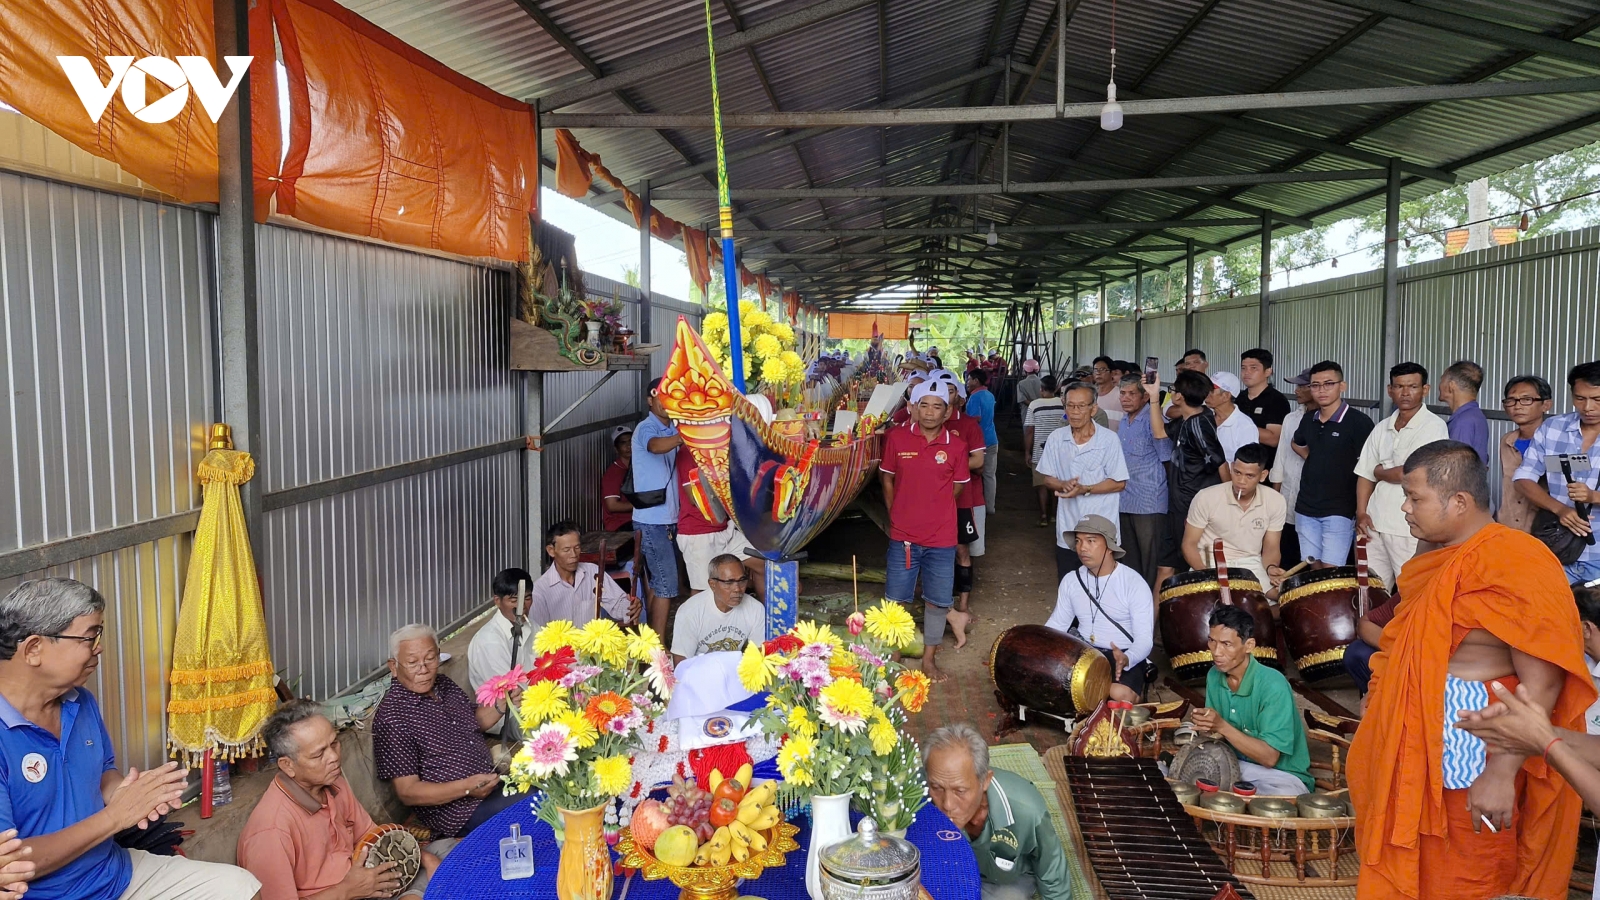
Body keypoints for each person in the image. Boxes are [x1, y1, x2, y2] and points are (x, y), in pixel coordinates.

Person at [1349, 440, 1596, 900]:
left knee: (1470, 877)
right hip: (1411, 746)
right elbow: (1411, 646)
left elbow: (1542, 684)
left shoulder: (1518, 561)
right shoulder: (1434, 559)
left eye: (1414, 497)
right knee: (1403, 864)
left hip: (1472, 757)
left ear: (1458, 501)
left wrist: (1501, 774)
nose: (1404, 508)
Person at [0, 578, 259, 900]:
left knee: (240, 888)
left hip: (114, 874)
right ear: (34, 649)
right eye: (89, 636)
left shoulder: (79, 701)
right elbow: (12, 861)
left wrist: (130, 794)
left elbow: (103, 770)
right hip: (46, 894)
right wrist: (115, 817)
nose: (99, 647)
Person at [238, 702, 440, 900]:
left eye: (334, 743)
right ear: (287, 765)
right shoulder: (271, 831)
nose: (334, 757)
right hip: (348, 892)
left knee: (445, 852)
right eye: (319, 754)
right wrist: (347, 890)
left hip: (367, 883)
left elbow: (370, 837)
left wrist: (424, 858)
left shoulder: (334, 784)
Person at [373, 625, 520, 840]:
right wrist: (467, 788)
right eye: (413, 663)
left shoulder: (444, 684)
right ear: (393, 667)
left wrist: (501, 704)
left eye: (430, 659)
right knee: (535, 810)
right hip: (459, 810)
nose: (423, 669)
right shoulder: (393, 717)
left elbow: (474, 722)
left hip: (490, 783)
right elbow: (408, 791)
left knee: (551, 790)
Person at [881, 381, 971, 682]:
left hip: (942, 538)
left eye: (937, 406)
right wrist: (898, 514)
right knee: (897, 600)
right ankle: (894, 656)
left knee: (937, 601)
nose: (930, 411)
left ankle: (929, 661)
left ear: (948, 412)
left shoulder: (957, 446)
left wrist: (934, 510)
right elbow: (888, 480)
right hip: (903, 535)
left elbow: (956, 488)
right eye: (924, 405)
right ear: (914, 408)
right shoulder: (896, 438)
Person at [922, 724, 1072, 900]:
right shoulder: (913, 794)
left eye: (960, 791)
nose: (947, 804)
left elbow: (1052, 873)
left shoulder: (1026, 810)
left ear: (985, 781)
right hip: (943, 872)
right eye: (937, 787)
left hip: (1001, 883)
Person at [1192, 605, 1314, 796]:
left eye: (1227, 644)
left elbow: (1269, 758)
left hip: (1281, 777)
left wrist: (1221, 726)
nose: (1216, 652)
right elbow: (1216, 738)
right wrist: (1206, 726)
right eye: (1212, 641)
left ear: (1249, 645)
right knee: (1174, 774)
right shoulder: (1214, 675)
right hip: (1235, 766)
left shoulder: (1273, 685)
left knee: (1278, 797)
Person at [1354, 363, 1450, 589]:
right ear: (1390, 390)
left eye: (1412, 387)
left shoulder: (1433, 427)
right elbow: (1365, 475)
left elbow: (1412, 473)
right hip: (1374, 524)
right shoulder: (1382, 427)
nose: (1405, 393)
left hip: (1409, 527)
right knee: (1371, 590)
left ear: (1425, 389)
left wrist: (1380, 471)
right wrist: (1361, 513)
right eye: (1399, 387)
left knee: (1412, 590)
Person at [1043, 515, 1154, 703]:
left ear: (1110, 547)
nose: (1082, 547)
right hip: (1084, 651)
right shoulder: (1071, 580)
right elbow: (1058, 624)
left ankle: (1136, 691)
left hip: (1122, 655)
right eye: (1078, 541)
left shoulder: (1133, 583)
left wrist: (1127, 658)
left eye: (1091, 541)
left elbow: (1144, 640)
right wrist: (1038, 644)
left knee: (1118, 695)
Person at [1515, 361, 1600, 584]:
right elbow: (1523, 478)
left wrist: (1594, 497)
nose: (1588, 407)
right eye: (1580, 398)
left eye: (1597, 399)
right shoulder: (1553, 428)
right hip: (1557, 547)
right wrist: (1559, 508)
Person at [1037, 382, 1129, 581]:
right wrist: (1063, 485)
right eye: (1070, 406)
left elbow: (1119, 483)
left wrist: (1085, 489)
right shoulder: (1056, 438)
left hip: (1102, 531)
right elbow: (1048, 478)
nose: (1075, 412)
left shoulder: (1109, 440)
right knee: (1070, 586)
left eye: (1081, 406)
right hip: (1069, 531)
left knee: (1103, 590)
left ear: (1093, 409)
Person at [1146, 370, 1229, 588]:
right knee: (1166, 566)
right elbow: (1159, 432)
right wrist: (1154, 397)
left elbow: (1220, 462)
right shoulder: (1188, 419)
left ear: (1180, 397)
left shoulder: (1199, 424)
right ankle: (1153, 621)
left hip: (1193, 508)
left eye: (1173, 389)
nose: (1172, 392)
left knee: (1190, 568)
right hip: (1178, 504)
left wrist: (1230, 499)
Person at [1290, 360, 1374, 568]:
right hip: (1305, 507)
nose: (1321, 390)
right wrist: (1318, 458)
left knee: (1331, 572)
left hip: (1340, 509)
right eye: (1315, 385)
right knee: (1311, 569)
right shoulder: (1309, 419)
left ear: (1342, 386)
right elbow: (1296, 443)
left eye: (1329, 384)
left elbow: (1369, 469)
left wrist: (1361, 510)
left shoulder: (1359, 422)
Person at [1182, 443, 1286, 592]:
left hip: (1251, 564)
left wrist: (1270, 568)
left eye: (1249, 476)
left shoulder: (1276, 501)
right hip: (1210, 562)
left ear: (1263, 475)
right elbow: (1189, 544)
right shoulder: (1206, 497)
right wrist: (1206, 574)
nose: (1241, 481)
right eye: (1237, 472)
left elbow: (1271, 546)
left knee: (1281, 599)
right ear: (1231, 468)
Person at [675, 447, 765, 602]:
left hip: (725, 529)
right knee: (703, 591)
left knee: (765, 564)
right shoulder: (688, 452)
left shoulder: (721, 449)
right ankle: (702, 626)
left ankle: (766, 620)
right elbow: (694, 498)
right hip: (699, 534)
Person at [932, 373, 987, 618]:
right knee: (932, 551)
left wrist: (947, 463)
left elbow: (979, 461)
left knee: (961, 550)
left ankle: (963, 605)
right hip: (929, 500)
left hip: (960, 499)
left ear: (958, 396)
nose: (946, 395)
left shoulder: (967, 425)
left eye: (951, 390)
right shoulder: (923, 424)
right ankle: (938, 604)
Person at [633, 378, 683, 634]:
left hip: (669, 519)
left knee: (658, 585)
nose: (665, 403)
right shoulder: (645, 428)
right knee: (666, 586)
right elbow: (655, 447)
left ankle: (649, 644)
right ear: (650, 400)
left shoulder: (672, 428)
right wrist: (683, 436)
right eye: (660, 397)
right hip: (652, 520)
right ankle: (657, 651)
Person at [466, 567, 537, 734]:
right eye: (514, 601)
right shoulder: (489, 641)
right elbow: (512, 695)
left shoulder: (531, 625)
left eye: (527, 598)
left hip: (536, 704)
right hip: (509, 718)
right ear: (497, 601)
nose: (522, 606)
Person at [1117, 373, 1171, 590]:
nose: (1126, 398)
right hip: (1124, 499)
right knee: (1129, 561)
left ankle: (1149, 615)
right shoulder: (1124, 420)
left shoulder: (1154, 418)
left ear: (1145, 397)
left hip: (1149, 503)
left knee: (1150, 563)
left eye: (1132, 393)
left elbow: (1167, 459)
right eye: (1122, 393)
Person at [528, 521, 635, 630]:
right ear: (551, 551)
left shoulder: (593, 572)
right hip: (560, 647)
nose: (574, 555)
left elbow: (618, 605)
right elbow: (539, 636)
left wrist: (630, 608)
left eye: (577, 548)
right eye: (567, 550)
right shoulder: (539, 591)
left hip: (592, 645)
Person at [670, 555, 765, 662]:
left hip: (734, 672)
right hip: (697, 673)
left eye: (742, 580)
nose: (737, 589)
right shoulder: (690, 611)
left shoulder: (756, 609)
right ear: (712, 585)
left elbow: (759, 658)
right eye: (729, 583)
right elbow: (681, 665)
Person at [1495, 375, 1552, 533]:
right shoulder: (1507, 441)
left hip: (1545, 530)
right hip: (1509, 527)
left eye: (1526, 400)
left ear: (1546, 404)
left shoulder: (1556, 443)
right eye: (1511, 400)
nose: (1517, 406)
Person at [1270, 369, 1315, 567]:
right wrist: (1275, 498)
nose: (1296, 391)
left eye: (1302, 386)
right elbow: (1280, 458)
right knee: (1287, 552)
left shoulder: (1327, 421)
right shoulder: (1291, 419)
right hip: (1288, 496)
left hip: (1313, 502)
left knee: (1309, 557)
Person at [1025, 376, 1065, 528]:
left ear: (1041, 389)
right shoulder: (1062, 404)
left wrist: (1027, 452)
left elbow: (1029, 430)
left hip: (1040, 450)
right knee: (1056, 483)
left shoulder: (1034, 405)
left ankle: (1043, 516)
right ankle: (1054, 515)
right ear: (1055, 388)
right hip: (1059, 450)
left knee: (1041, 484)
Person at [1343, 592, 1400, 698]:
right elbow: (1365, 623)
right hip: (1402, 662)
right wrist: (1398, 650)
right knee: (1357, 652)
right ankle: (1377, 700)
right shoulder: (1413, 592)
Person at [1441, 360, 1491, 466]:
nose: (1439, 385)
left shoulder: (1463, 422)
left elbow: (1457, 467)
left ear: (1451, 386)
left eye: (1442, 380)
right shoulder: (1474, 416)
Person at [1238, 348, 1291, 447]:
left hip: (1263, 460)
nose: (1247, 372)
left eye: (1253, 368)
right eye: (1243, 368)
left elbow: (1273, 439)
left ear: (1268, 371)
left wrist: (1234, 426)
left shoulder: (1277, 400)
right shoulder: (1239, 398)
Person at [965, 369, 1000, 515]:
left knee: (976, 474)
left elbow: (975, 419)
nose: (967, 383)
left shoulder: (974, 398)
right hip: (992, 438)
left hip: (979, 442)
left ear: (976, 381)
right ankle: (990, 507)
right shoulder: (989, 395)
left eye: (969, 379)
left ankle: (977, 506)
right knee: (990, 475)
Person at [1207, 372, 1257, 463]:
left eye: (1211, 390)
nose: (1205, 393)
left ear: (1226, 396)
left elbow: (1247, 463)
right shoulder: (1204, 417)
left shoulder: (1245, 426)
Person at [600, 425, 634, 531]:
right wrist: (641, 504)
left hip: (635, 520)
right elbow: (612, 505)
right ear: (616, 449)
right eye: (623, 443)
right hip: (619, 524)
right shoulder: (613, 472)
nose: (628, 446)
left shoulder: (637, 467)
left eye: (630, 441)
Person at [1090, 356, 1124, 431]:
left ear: (1112, 373)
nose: (1098, 373)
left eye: (1102, 370)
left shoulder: (1121, 395)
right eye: (1096, 370)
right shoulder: (1089, 396)